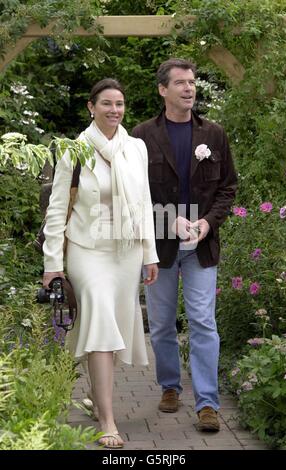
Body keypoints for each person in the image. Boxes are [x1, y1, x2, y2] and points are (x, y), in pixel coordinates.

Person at [42, 78, 159, 448]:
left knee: (104, 329)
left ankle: (98, 398)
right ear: (91, 107)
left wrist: (149, 253)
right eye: (106, 103)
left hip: (125, 252)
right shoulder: (73, 151)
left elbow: (143, 203)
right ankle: (108, 420)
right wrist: (52, 264)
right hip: (87, 251)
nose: (114, 110)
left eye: (120, 104)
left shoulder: (135, 148)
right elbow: (58, 208)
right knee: (101, 318)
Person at [132, 58, 237, 432]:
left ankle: (207, 403)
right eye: (180, 83)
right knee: (160, 324)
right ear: (163, 90)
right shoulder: (141, 136)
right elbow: (133, 195)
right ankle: (170, 387)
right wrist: (166, 218)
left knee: (203, 322)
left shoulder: (214, 134)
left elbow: (228, 188)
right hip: (159, 249)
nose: (189, 88)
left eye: (192, 82)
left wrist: (208, 223)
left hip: (201, 248)